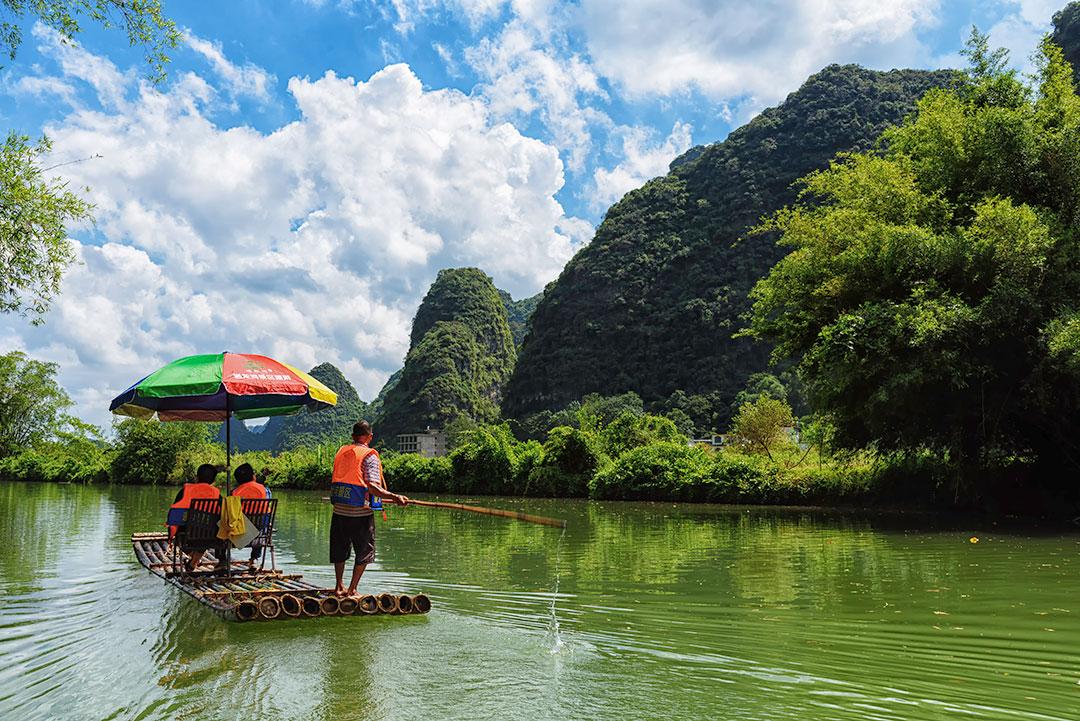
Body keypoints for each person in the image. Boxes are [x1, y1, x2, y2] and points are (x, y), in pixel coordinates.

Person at [329, 420, 408, 598]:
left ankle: (338, 586)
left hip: (339, 510)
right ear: (370, 437)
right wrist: (395, 497)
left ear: (352, 436)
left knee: (339, 548)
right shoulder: (369, 455)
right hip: (360, 513)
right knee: (365, 550)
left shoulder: (341, 452)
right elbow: (372, 487)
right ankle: (352, 590)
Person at [167, 463, 222, 571]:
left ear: (197, 478)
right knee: (208, 529)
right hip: (209, 535)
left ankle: (193, 560)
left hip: (187, 534)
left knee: (179, 531)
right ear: (213, 481)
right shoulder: (217, 494)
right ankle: (194, 562)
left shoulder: (185, 491)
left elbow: (174, 514)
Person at [230, 463, 271, 569]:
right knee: (263, 522)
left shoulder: (234, 492)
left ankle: (222, 561)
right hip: (259, 536)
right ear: (253, 476)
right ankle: (254, 559)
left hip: (238, 535)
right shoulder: (265, 491)